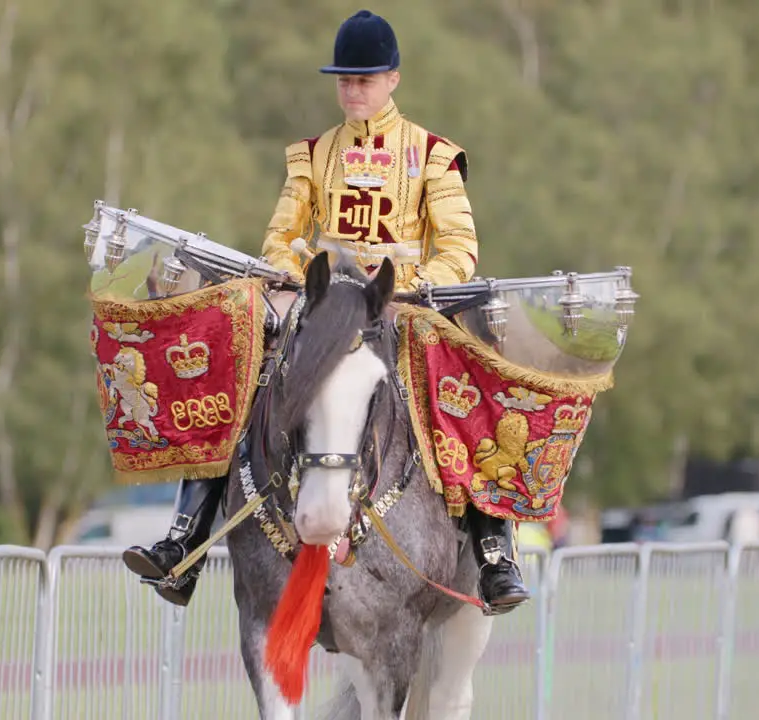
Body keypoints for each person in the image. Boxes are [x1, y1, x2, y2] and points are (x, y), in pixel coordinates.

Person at [123, 9, 532, 615]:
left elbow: (460, 253)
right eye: (343, 79)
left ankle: (495, 551)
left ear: (393, 79)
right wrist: (303, 277)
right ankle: (186, 537)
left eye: (364, 79)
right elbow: (278, 240)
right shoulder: (311, 156)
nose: (352, 90)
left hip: (403, 306)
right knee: (240, 366)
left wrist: (405, 289)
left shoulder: (435, 156)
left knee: (467, 383)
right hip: (323, 304)